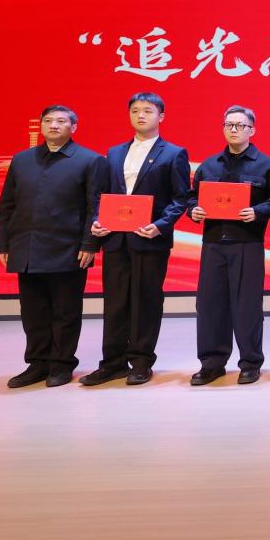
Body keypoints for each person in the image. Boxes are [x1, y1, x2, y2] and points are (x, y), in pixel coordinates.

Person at [82, 92, 191, 387]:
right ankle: (112, 363)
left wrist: (160, 225)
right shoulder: (115, 152)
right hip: (115, 239)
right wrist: (98, 221)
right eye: (135, 111)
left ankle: (141, 362)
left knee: (146, 301)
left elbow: (180, 198)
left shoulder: (173, 153)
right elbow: (102, 194)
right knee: (115, 302)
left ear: (161, 116)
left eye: (147, 110)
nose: (140, 115)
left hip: (149, 239)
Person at [0, 105, 107, 388]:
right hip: (27, 246)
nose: (53, 125)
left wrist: (90, 244)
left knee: (65, 311)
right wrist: (2, 243)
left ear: (73, 127)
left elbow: (95, 206)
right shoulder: (22, 159)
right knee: (33, 311)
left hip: (69, 248)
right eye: (48, 120)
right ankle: (37, 363)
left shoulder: (90, 160)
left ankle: (61, 364)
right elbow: (7, 204)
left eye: (60, 121)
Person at [187, 105, 270, 386]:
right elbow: (191, 197)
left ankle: (250, 363)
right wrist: (193, 210)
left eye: (240, 125)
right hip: (213, 244)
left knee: (247, 306)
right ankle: (212, 363)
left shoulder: (266, 165)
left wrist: (258, 211)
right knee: (209, 304)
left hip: (247, 243)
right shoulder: (209, 165)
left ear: (252, 130)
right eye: (229, 124)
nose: (234, 129)